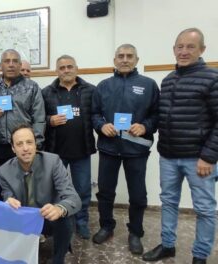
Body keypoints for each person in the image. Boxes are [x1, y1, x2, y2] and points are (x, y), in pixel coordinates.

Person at [142, 28, 218, 264]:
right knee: (169, 202)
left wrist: (208, 156)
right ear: (174, 49)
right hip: (168, 156)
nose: (184, 51)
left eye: (190, 46)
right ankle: (167, 245)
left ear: (202, 50)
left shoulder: (212, 79)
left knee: (205, 209)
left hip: (199, 159)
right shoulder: (168, 80)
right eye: (180, 46)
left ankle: (200, 256)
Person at [91, 44, 159, 254]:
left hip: (136, 150)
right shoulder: (103, 85)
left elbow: (157, 115)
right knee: (105, 192)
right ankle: (106, 226)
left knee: (138, 194)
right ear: (114, 60)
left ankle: (135, 232)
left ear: (137, 60)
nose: (125, 59)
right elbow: (94, 114)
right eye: (120, 56)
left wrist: (144, 126)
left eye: (129, 56)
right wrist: (101, 126)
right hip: (108, 148)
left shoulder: (148, 85)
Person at [0, 124, 81, 264]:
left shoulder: (53, 162)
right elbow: (6, 194)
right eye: (19, 144)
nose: (25, 148)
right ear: (13, 148)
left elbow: (73, 198)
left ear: (36, 145)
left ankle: (58, 259)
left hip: (47, 217)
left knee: (66, 218)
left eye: (29, 142)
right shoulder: (3, 171)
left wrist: (59, 209)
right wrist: (8, 200)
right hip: (23, 219)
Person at [42, 55, 96, 239]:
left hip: (82, 150)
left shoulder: (90, 90)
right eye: (62, 67)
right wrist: (50, 120)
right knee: (55, 190)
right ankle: (55, 222)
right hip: (56, 153)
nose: (66, 70)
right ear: (57, 71)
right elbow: (40, 119)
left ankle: (81, 222)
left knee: (83, 190)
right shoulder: (47, 92)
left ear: (76, 68)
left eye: (69, 66)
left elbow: (96, 115)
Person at [0, 49, 45, 166]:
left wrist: (36, 144)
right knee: (3, 181)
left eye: (15, 61)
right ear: (1, 65)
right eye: (7, 61)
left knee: (27, 182)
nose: (11, 64)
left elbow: (39, 118)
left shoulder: (32, 87)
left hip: (24, 145)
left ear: (20, 65)